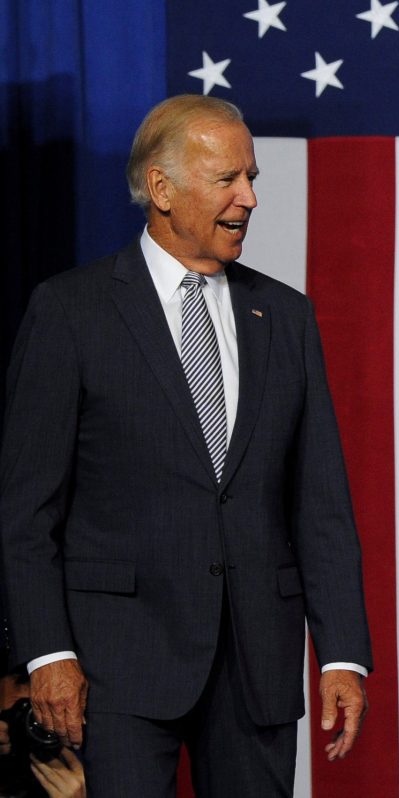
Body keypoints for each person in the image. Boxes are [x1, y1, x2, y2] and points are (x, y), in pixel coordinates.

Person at [0, 94, 373, 797]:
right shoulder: (70, 311)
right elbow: (27, 512)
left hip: (258, 667)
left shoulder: (285, 316)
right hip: (116, 667)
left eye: (252, 177)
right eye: (229, 179)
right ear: (163, 190)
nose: (251, 199)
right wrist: (49, 652)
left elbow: (320, 503)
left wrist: (342, 655)